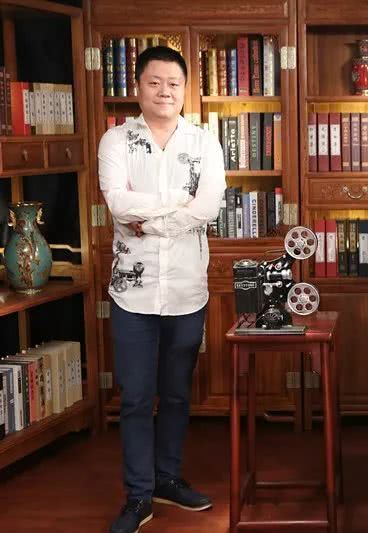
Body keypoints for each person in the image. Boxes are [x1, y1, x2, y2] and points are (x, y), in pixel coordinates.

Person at [98, 46, 227, 533]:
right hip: (131, 293)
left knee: (175, 394)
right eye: (154, 82)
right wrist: (177, 203)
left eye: (173, 83)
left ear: (185, 89)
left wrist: (150, 221)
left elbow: (208, 207)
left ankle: (167, 479)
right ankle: (138, 496)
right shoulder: (116, 140)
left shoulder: (204, 143)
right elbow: (117, 202)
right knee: (135, 396)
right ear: (138, 87)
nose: (164, 91)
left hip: (186, 290)